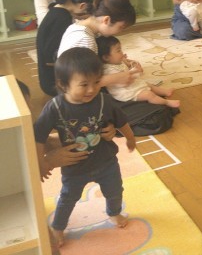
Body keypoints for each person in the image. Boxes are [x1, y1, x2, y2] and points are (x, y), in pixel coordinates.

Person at [33, 47, 136, 247]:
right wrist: (40, 162)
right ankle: (58, 227)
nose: (91, 89)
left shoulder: (104, 101)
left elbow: (121, 121)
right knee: (67, 198)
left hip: (106, 162)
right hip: (74, 167)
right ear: (63, 84)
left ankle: (114, 213)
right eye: (84, 84)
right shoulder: (55, 107)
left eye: (97, 82)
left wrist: (130, 138)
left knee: (115, 191)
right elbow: (39, 136)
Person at [57, 0, 139, 90]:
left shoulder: (79, 25)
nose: (119, 32)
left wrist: (121, 61)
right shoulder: (85, 40)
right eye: (121, 27)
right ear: (106, 20)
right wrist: (117, 78)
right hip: (75, 91)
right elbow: (81, 82)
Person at [36, 0, 105, 96]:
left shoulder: (59, 10)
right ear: (82, 6)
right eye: (91, 13)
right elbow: (50, 58)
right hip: (54, 82)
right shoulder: (62, 18)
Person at [97, 35, 179, 108]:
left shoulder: (116, 62)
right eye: (118, 51)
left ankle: (165, 92)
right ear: (106, 57)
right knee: (148, 94)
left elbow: (126, 68)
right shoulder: (109, 70)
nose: (122, 53)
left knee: (148, 84)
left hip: (130, 86)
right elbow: (125, 82)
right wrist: (136, 72)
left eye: (121, 49)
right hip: (125, 92)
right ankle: (167, 102)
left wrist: (131, 65)